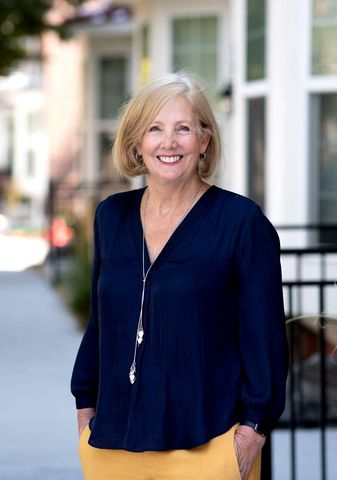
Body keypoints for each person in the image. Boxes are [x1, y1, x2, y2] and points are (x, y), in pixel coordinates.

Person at [71, 72, 288, 480]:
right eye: (154, 128)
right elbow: (101, 325)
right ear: (137, 141)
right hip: (112, 446)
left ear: (204, 141)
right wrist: (85, 409)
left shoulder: (241, 223)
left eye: (183, 128)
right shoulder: (111, 217)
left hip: (208, 448)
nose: (168, 142)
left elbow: (266, 338)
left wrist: (250, 434)